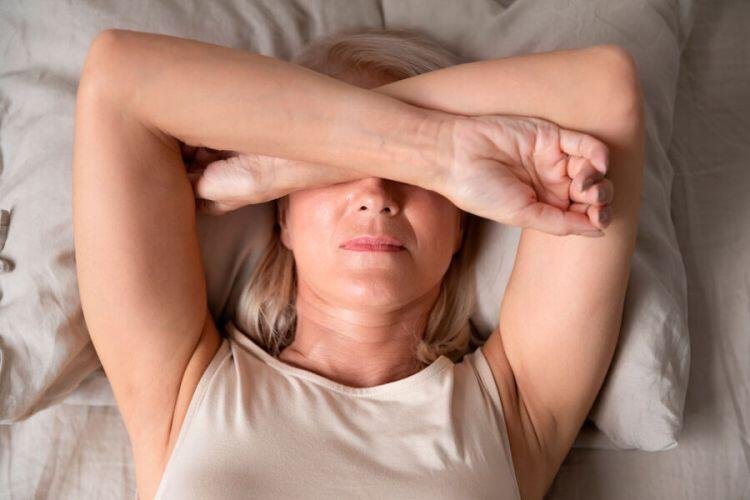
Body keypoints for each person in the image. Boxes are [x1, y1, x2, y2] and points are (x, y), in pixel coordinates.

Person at [72, 26, 644, 500]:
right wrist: (439, 152)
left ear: (461, 224)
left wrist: (286, 162)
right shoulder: (183, 390)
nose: (376, 194)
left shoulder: (514, 407)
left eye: (416, 177)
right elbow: (118, 76)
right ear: (283, 216)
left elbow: (603, 89)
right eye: (336, 169)